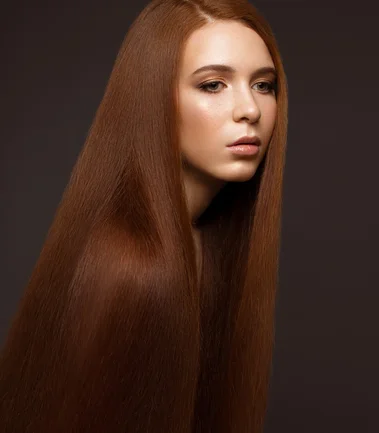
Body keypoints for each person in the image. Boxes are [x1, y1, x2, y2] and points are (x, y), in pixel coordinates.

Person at [0, 1, 288, 432]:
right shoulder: (134, 265)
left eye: (263, 85)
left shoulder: (202, 242)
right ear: (152, 97)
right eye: (213, 85)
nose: (249, 109)